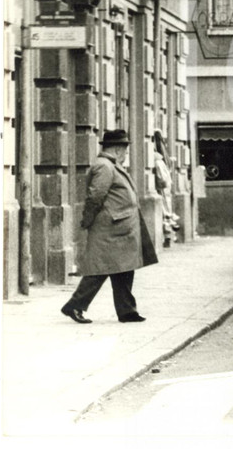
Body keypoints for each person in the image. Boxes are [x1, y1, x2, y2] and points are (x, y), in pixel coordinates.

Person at [61, 129, 159, 324]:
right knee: (100, 270)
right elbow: (96, 196)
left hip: (119, 228)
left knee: (123, 269)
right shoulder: (104, 167)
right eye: (125, 151)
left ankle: (127, 311)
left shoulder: (110, 165)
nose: (126, 155)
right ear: (117, 149)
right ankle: (75, 306)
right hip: (110, 229)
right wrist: (87, 220)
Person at [152, 131, 180, 247]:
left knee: (165, 212)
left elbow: (161, 179)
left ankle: (167, 237)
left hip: (161, 189)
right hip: (167, 189)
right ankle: (169, 236)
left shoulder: (156, 157)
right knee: (167, 211)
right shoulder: (164, 156)